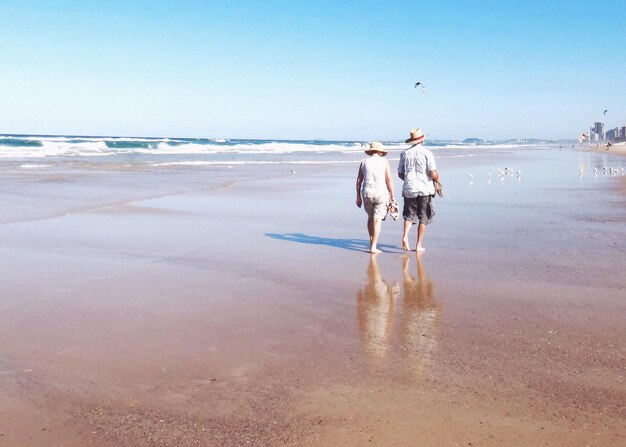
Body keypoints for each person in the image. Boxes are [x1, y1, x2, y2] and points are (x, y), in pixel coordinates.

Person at [397, 129, 439, 252]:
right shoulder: (427, 153)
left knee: (409, 216)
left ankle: (405, 236)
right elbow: (432, 172)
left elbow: (400, 174)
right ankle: (418, 245)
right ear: (422, 140)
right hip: (424, 188)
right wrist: (437, 177)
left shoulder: (404, 153)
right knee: (423, 217)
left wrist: (409, 180)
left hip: (409, 187)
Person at [356, 142, 395, 253]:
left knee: (370, 216)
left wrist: (357, 195)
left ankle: (371, 240)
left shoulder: (364, 162)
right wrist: (392, 194)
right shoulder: (384, 162)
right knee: (377, 219)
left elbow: (359, 180)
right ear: (380, 152)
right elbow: (388, 180)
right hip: (380, 192)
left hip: (367, 192)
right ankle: (374, 247)